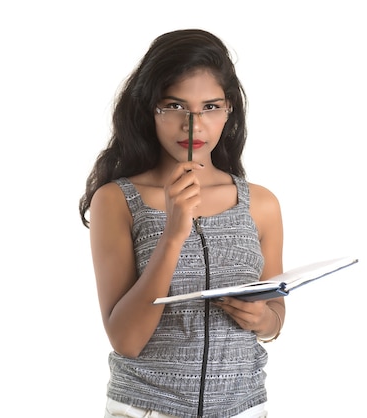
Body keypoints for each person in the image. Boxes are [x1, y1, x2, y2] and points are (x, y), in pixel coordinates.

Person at [79, 29, 285, 418]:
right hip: (147, 409)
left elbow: (275, 313)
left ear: (229, 112)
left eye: (210, 107)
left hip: (244, 408)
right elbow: (126, 339)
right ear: (150, 110)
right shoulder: (118, 200)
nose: (194, 125)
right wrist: (173, 234)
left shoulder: (260, 203)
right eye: (175, 106)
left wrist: (264, 320)